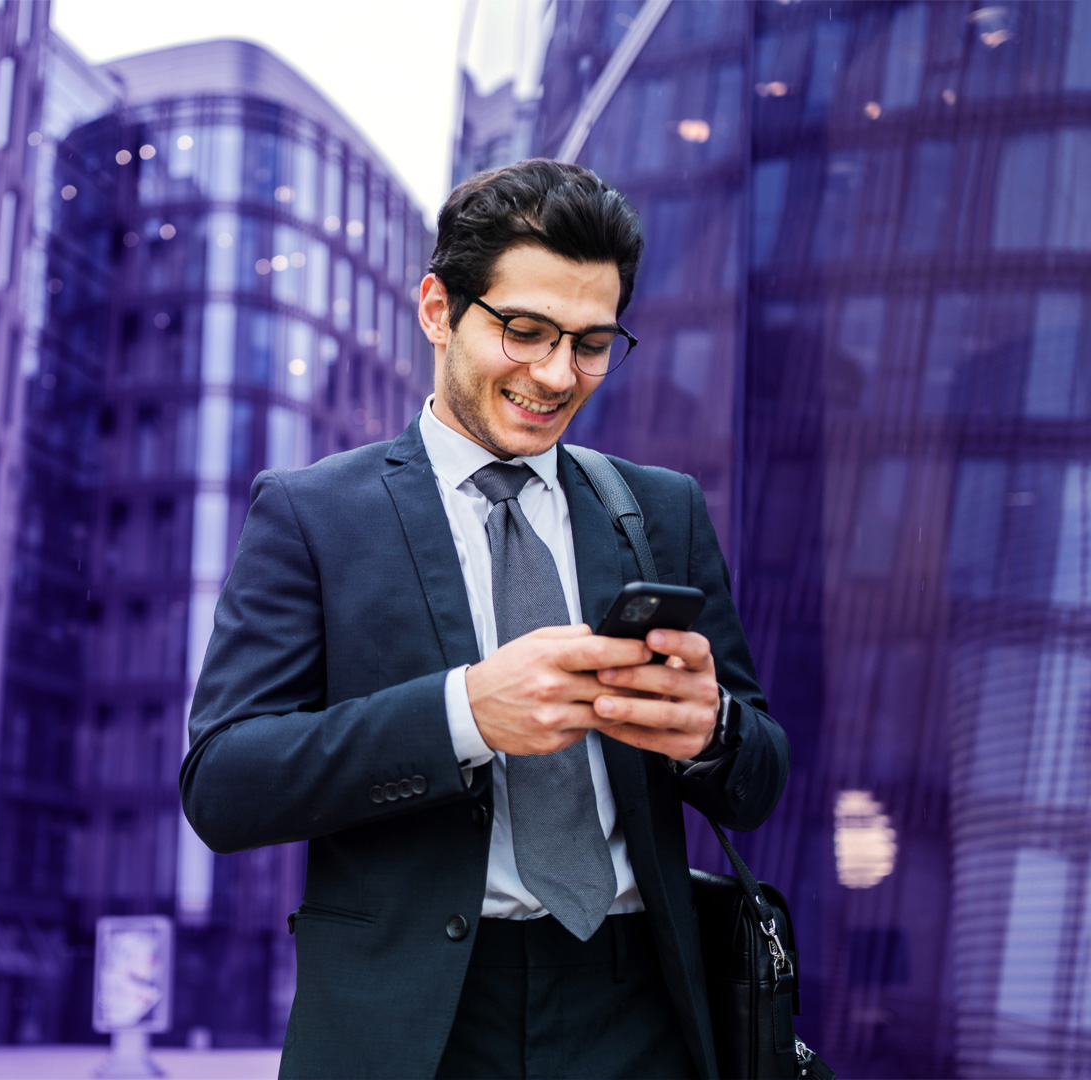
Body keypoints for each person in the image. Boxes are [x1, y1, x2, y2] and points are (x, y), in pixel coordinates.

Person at [181, 159, 790, 1079]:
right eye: (526, 331)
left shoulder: (659, 512)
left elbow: (759, 780)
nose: (557, 374)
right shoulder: (314, 514)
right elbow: (223, 784)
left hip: (639, 1007)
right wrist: (462, 715)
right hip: (414, 1020)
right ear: (438, 309)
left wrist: (712, 733)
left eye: (591, 343)